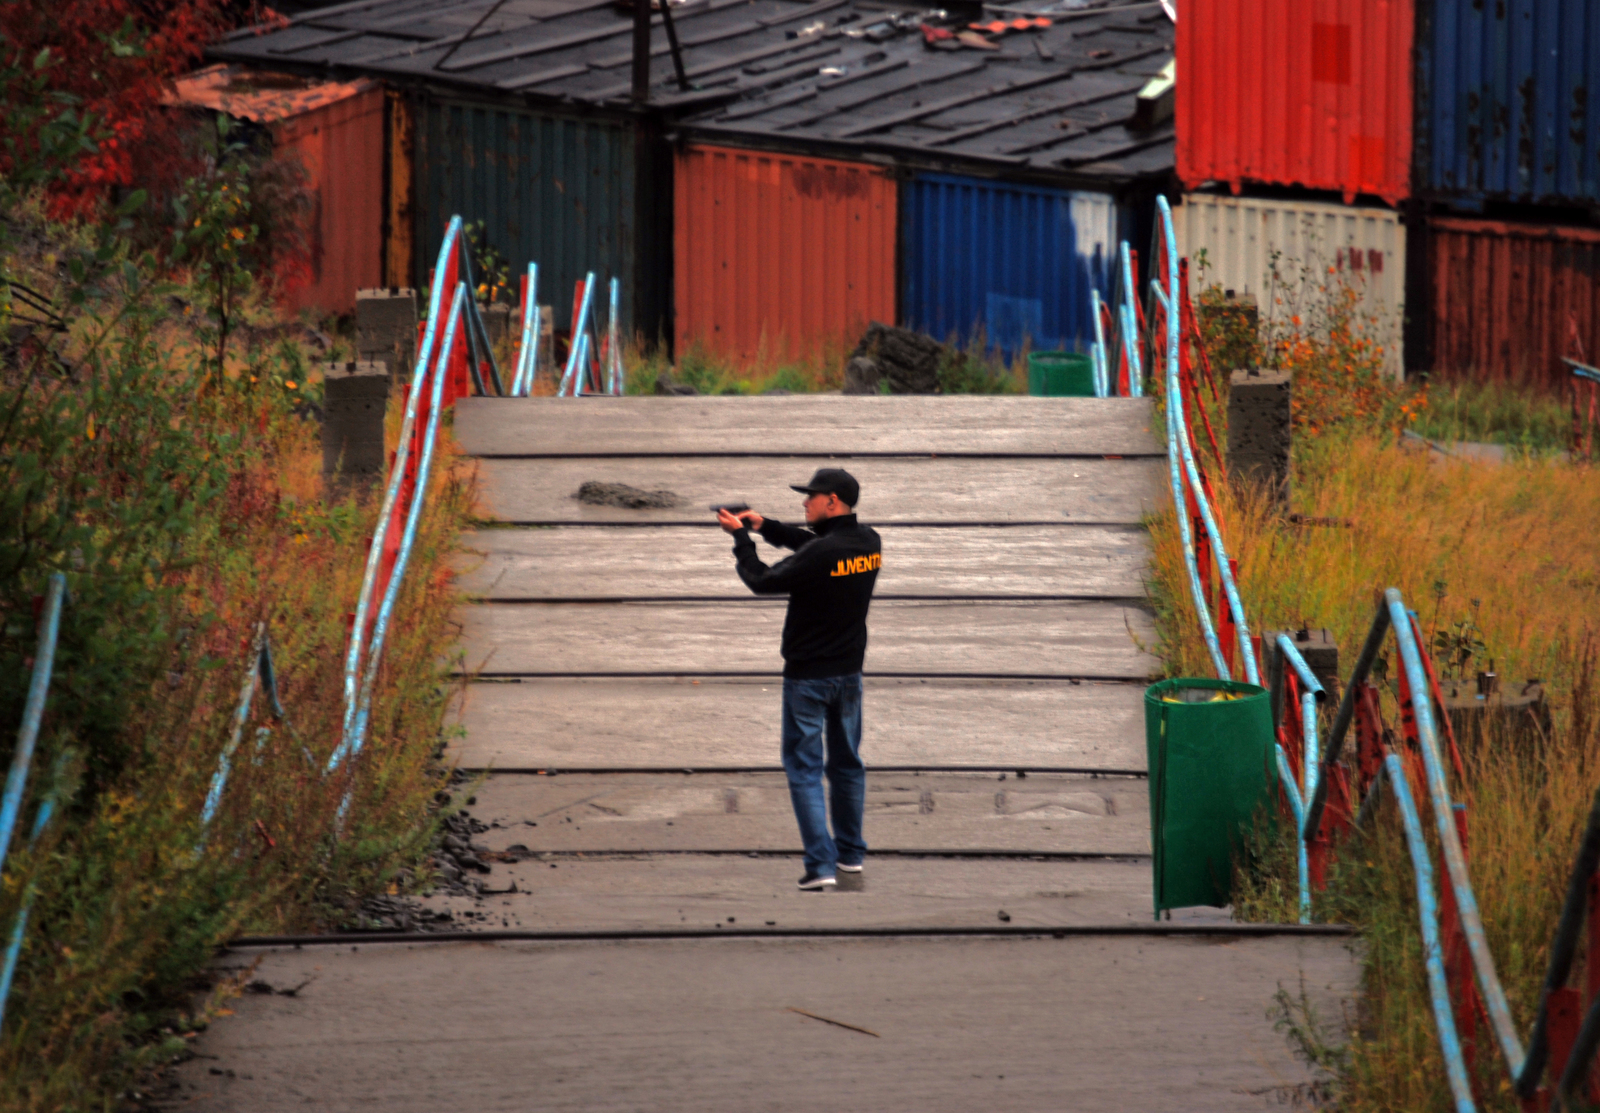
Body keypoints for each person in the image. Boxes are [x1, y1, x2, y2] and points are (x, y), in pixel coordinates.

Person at [717, 468, 882, 890]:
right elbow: (818, 546)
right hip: (849, 678)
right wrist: (765, 525)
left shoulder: (820, 555)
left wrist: (741, 540)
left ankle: (820, 866)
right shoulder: (869, 543)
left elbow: (762, 581)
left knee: (805, 770)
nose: (804, 502)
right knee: (847, 766)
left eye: (811, 496)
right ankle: (850, 857)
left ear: (833, 502)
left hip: (808, 679)